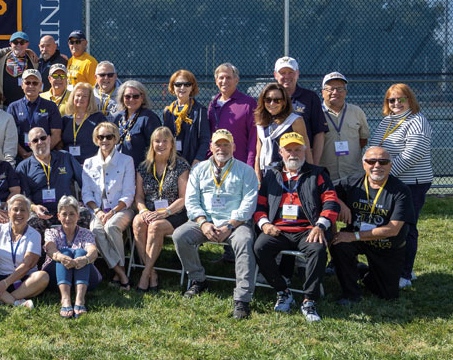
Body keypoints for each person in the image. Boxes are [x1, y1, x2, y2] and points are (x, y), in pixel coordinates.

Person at [253, 132, 339, 322]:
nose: (293, 154)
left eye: (298, 150)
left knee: (318, 251)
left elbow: (331, 203)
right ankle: (283, 291)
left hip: (308, 230)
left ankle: (309, 300)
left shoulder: (317, 174)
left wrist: (320, 226)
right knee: (259, 248)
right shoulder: (271, 175)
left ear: (305, 151)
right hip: (278, 230)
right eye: (289, 150)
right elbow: (259, 206)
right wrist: (265, 224)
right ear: (280, 152)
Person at [174, 129, 259, 319]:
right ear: (211, 147)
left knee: (245, 242)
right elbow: (191, 200)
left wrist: (230, 225)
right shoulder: (199, 170)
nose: (222, 148)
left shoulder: (246, 171)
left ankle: (242, 299)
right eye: (218, 144)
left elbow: (249, 203)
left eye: (226, 144)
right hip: (206, 221)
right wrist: (203, 223)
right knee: (180, 236)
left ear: (234, 147)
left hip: (235, 224)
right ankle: (198, 280)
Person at [368, 83, 432, 288]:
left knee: (406, 228)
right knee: (390, 227)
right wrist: (373, 169)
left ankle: (405, 273)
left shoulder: (417, 121)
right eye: (391, 100)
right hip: (390, 181)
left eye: (400, 99)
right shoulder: (387, 121)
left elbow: (412, 154)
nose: (396, 103)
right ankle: (389, 268)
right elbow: (374, 148)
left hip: (412, 183)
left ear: (410, 100)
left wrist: (383, 175)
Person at [331, 147, 413, 303]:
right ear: (363, 164)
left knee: (386, 294)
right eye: (371, 161)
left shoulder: (401, 191)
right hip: (355, 238)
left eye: (383, 161)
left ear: (390, 165)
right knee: (339, 243)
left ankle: (362, 271)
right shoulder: (352, 182)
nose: (377, 165)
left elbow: (393, 229)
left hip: (386, 244)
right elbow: (324, 188)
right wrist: (339, 203)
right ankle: (351, 294)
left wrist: (354, 236)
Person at [131, 126, 191, 292]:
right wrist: (143, 211)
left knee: (155, 227)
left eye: (165, 141)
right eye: (157, 141)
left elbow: (183, 198)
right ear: (152, 144)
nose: (161, 144)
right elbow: (139, 197)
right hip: (150, 211)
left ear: (172, 144)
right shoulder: (143, 167)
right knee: (137, 222)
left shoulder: (181, 166)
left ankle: (145, 275)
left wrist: (165, 213)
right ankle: (152, 272)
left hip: (174, 212)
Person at [81, 121, 135, 288]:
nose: (105, 140)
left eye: (109, 137)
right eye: (101, 137)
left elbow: (128, 194)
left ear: (116, 139)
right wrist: (98, 212)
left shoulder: (126, 161)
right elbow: (86, 194)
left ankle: (119, 270)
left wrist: (111, 212)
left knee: (111, 227)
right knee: (96, 230)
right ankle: (120, 272)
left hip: (121, 209)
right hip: (97, 210)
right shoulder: (89, 163)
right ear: (96, 139)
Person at [0, 194, 49, 309]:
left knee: (43, 276)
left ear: (28, 214)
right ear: (8, 212)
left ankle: (0, 299)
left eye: (23, 210)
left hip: (25, 281)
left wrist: (6, 283)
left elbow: (28, 264)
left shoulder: (34, 235)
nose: (19, 213)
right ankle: (16, 303)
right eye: (15, 209)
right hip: (0, 278)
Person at [43, 195, 101, 318]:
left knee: (80, 252)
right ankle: (65, 299)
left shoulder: (86, 233)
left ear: (78, 216)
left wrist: (85, 259)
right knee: (65, 253)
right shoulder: (51, 232)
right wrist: (61, 257)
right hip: (55, 277)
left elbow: (93, 251)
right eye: (64, 214)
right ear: (58, 216)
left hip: (85, 276)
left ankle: (80, 300)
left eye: (72, 214)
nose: (68, 218)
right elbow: (50, 249)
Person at [16, 127, 83, 226]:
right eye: (35, 140)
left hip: (67, 211)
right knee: (31, 222)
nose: (40, 142)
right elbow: (24, 198)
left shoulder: (65, 157)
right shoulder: (23, 167)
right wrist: (34, 207)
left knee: (84, 214)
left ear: (49, 139)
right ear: (30, 145)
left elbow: (84, 181)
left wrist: (82, 201)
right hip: (41, 215)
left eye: (43, 138)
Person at [274, 57, 329, 164]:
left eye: (291, 72)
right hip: (275, 162)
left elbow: (319, 133)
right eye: (282, 73)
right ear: (275, 75)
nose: (287, 76)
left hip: (303, 160)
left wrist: (314, 164)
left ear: (297, 74)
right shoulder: (268, 99)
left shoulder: (310, 97)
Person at [319, 71, 370, 183]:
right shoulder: (316, 113)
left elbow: (363, 140)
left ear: (345, 92)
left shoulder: (357, 112)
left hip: (353, 175)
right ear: (323, 92)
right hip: (325, 176)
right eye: (330, 89)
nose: (335, 92)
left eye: (340, 89)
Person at [254, 82, 311, 180]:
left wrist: (311, 174)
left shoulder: (295, 120)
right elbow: (258, 153)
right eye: (268, 100)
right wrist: (257, 175)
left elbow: (306, 148)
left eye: (277, 100)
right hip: (266, 174)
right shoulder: (261, 123)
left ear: (284, 102)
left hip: (289, 174)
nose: (272, 104)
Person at [207, 63, 257, 167]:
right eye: (221, 78)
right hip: (215, 166)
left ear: (236, 80)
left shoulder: (249, 103)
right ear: (216, 81)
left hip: (240, 166)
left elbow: (254, 138)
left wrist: (250, 165)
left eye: (228, 77)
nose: (224, 81)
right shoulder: (212, 105)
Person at [7, 69, 63, 161]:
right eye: (27, 82)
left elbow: (56, 136)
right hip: (20, 157)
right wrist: (23, 153)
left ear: (40, 85)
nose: (31, 86)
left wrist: (40, 153)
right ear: (22, 85)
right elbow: (9, 136)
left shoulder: (51, 106)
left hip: (45, 157)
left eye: (35, 83)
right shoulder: (13, 107)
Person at [162, 69, 211, 166]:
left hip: (192, 162)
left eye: (187, 84)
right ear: (172, 86)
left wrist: (197, 160)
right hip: (172, 162)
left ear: (192, 87)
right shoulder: (168, 111)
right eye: (178, 84)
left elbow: (205, 139)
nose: (182, 87)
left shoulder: (200, 111)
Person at [113, 79, 161, 170]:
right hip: (119, 168)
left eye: (136, 96)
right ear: (122, 98)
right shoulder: (119, 117)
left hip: (140, 169)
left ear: (142, 98)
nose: (131, 100)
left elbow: (155, 147)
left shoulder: (149, 118)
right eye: (127, 96)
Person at [61, 82, 107, 164]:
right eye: (78, 95)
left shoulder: (98, 118)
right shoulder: (66, 119)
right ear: (73, 97)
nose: (80, 98)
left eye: (84, 96)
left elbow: (105, 142)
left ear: (90, 99)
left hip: (92, 164)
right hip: (68, 164)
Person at [0, 31, 38, 104]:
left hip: (28, 104)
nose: (18, 45)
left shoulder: (34, 60)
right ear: (10, 44)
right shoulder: (0, 60)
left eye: (22, 42)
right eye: (15, 42)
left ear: (27, 44)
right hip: (6, 105)